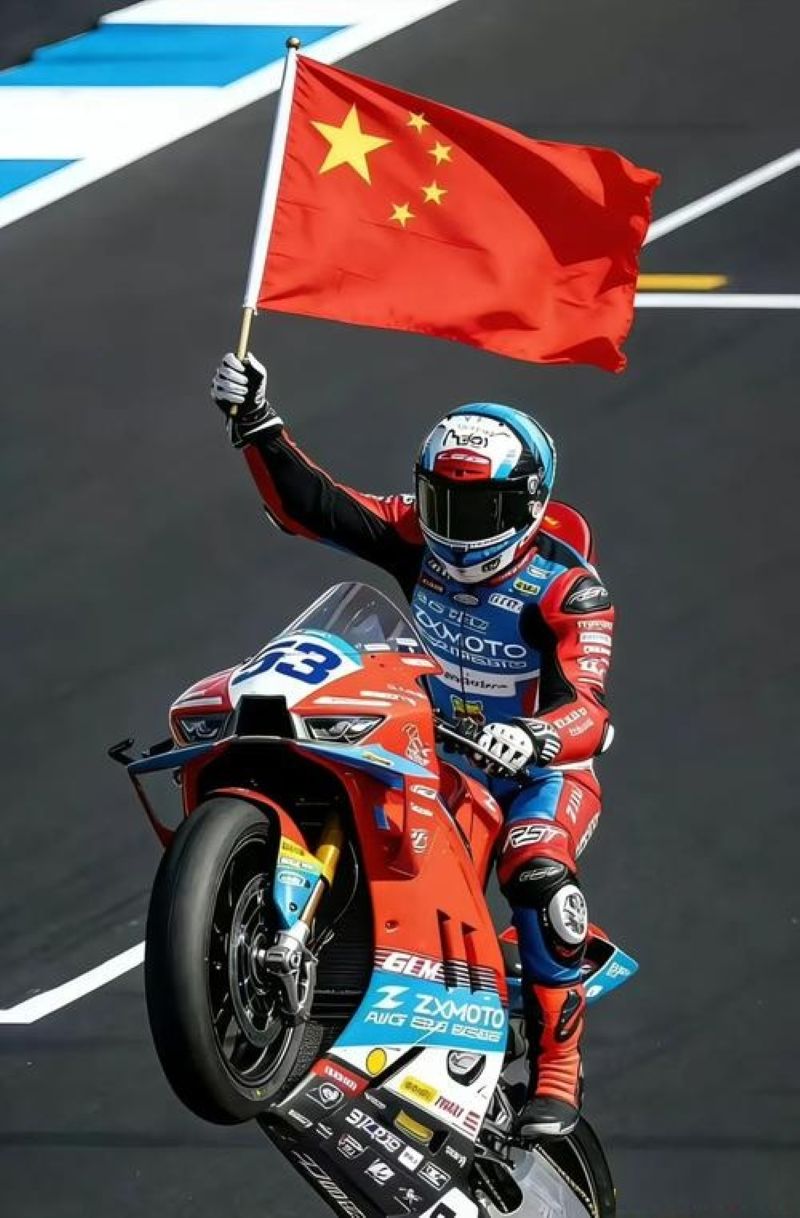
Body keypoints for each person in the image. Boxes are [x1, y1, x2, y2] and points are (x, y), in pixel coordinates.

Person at [211, 351, 615, 1140]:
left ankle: (558, 1072)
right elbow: (315, 507)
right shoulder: (413, 537)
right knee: (380, 851)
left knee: (534, 869)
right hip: (438, 753)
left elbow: (589, 712)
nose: (457, 526)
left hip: (541, 774)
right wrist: (256, 423)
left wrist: (533, 734)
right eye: (443, 501)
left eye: (480, 507)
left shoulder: (571, 591)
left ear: (528, 504)